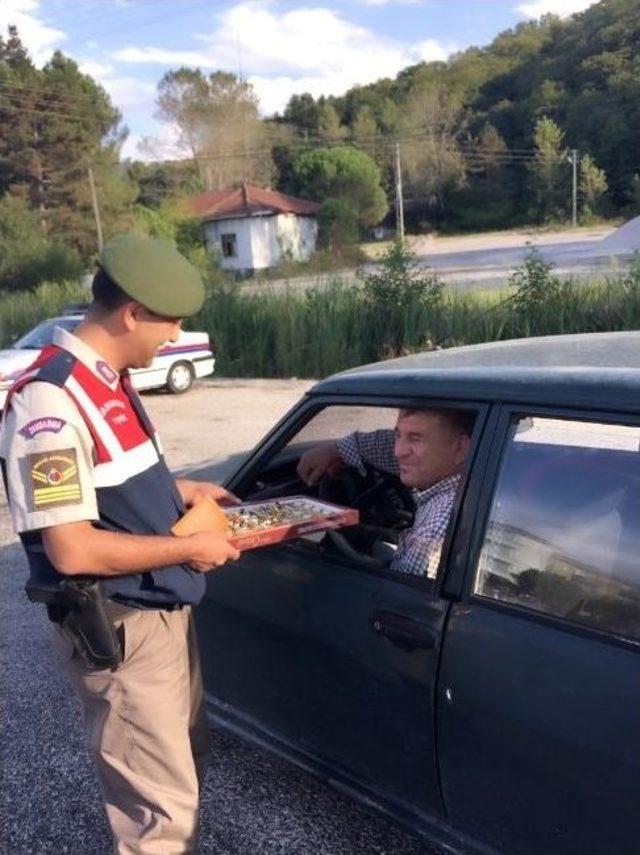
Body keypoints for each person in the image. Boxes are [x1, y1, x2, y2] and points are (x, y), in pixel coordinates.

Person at [0, 234, 240, 854]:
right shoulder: (49, 400)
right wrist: (189, 550)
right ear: (132, 312)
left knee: (179, 778)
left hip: (161, 614)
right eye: (172, 324)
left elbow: (108, 488)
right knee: (157, 818)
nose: (176, 337)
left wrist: (180, 489)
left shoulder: (108, 379)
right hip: (123, 628)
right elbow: (72, 549)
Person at [297, 408, 473, 578]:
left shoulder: (436, 527)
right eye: (397, 435)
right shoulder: (469, 484)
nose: (398, 452)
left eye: (416, 439)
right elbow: (386, 449)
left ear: (461, 449)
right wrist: (336, 450)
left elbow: (401, 596)